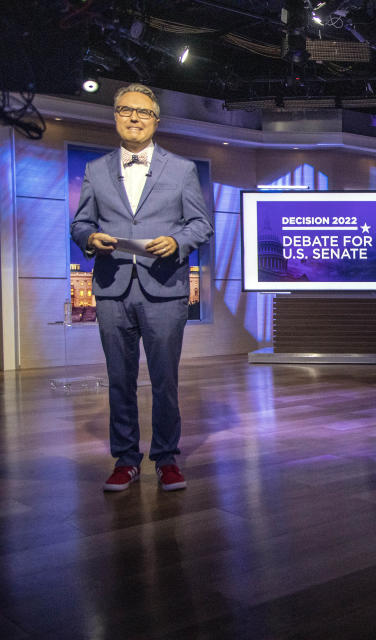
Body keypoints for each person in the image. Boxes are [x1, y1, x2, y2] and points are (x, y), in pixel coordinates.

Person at [71, 83, 213, 492]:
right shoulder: (96, 170)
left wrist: (177, 242)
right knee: (120, 379)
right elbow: (80, 223)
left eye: (143, 112)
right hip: (113, 287)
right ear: (115, 116)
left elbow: (200, 224)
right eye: (125, 110)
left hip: (164, 289)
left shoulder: (181, 169)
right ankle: (125, 459)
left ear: (156, 121)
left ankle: (167, 459)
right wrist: (89, 238)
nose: (134, 118)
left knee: (165, 379)